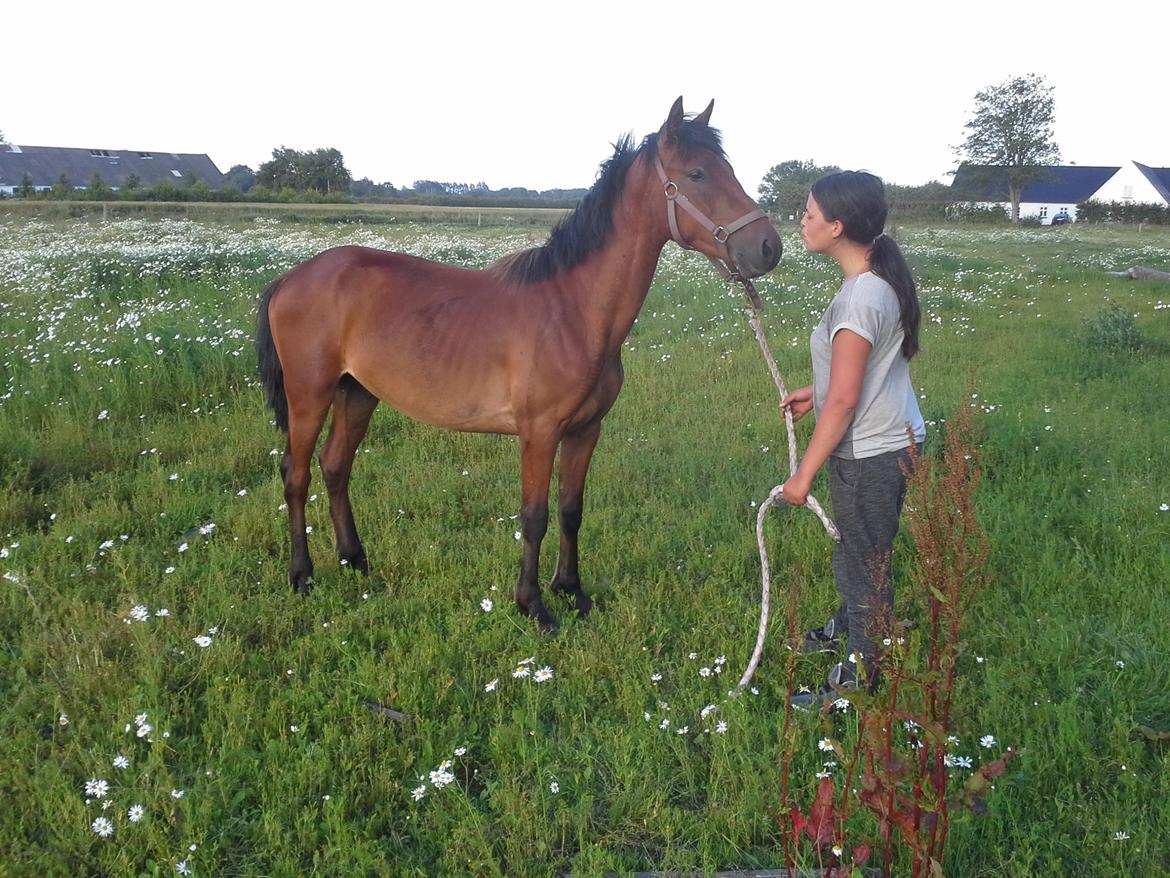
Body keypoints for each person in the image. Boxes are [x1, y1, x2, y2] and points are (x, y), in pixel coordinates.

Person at [779, 171, 926, 708]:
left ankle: (860, 681)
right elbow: (851, 382)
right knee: (862, 550)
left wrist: (803, 475)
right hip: (891, 440)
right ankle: (850, 625)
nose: (802, 220)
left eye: (810, 213)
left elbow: (845, 402)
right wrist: (813, 392)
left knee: (863, 563)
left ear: (837, 226)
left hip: (870, 452)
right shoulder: (871, 283)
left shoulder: (861, 297)